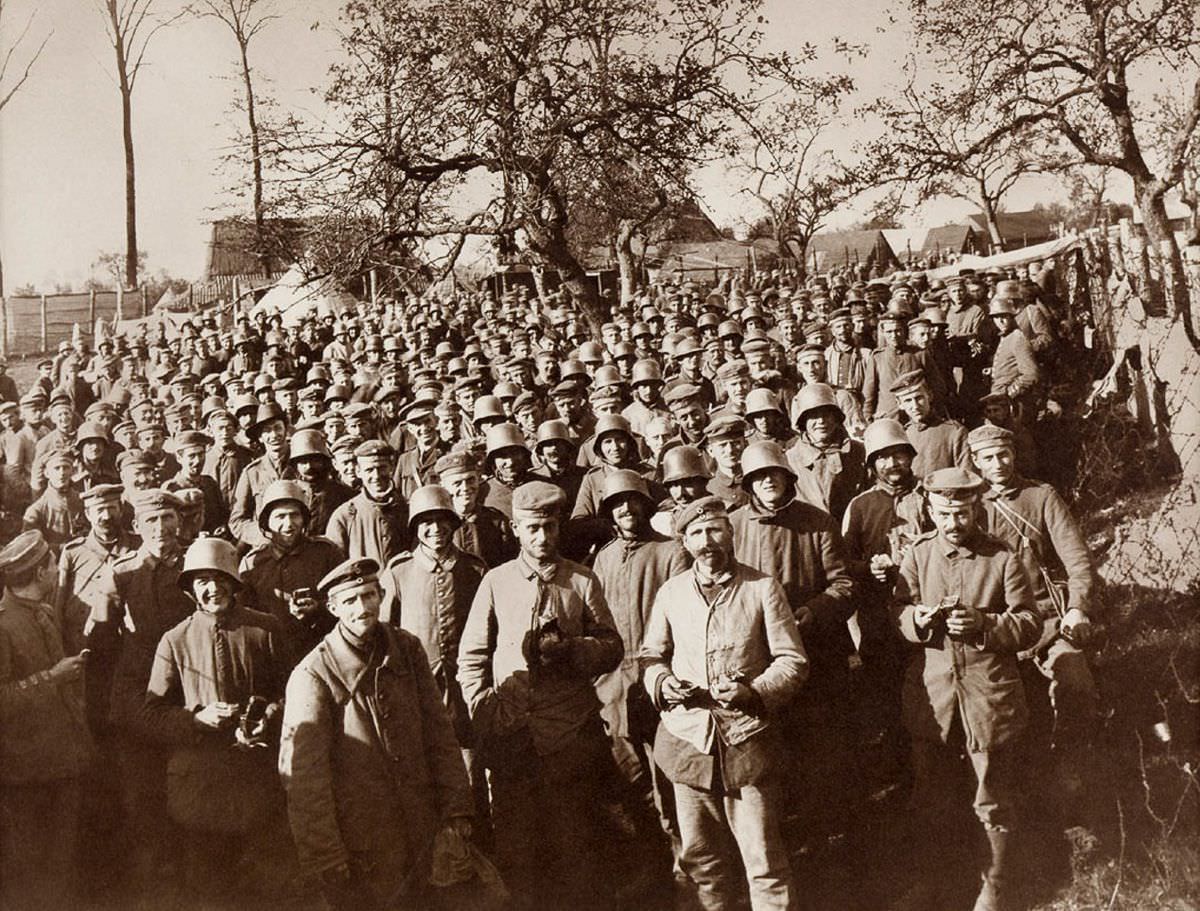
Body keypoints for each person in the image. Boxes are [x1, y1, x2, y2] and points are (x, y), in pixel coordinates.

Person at [458, 479, 624, 910]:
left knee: (575, 844)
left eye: (549, 527)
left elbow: (612, 646)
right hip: (511, 735)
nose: (541, 537)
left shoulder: (582, 581)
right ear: (515, 528)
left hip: (569, 734)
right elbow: (472, 656)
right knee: (517, 847)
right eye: (532, 528)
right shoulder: (496, 582)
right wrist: (483, 708)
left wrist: (574, 651)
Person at [279, 556, 474, 911]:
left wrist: (456, 808)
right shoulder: (314, 673)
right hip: (362, 841)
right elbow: (305, 777)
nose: (362, 607)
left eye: (369, 596)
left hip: (421, 825)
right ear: (333, 607)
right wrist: (326, 855)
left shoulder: (407, 649)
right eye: (350, 600)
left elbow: (439, 732)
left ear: (382, 596)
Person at [641, 496, 808, 911]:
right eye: (696, 533)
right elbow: (650, 654)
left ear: (731, 534)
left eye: (716, 529)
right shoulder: (672, 592)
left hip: (748, 740)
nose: (707, 540)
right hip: (688, 741)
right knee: (701, 859)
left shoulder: (761, 587)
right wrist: (663, 683)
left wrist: (755, 691)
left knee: (764, 860)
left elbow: (793, 660)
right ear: (684, 541)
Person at [890, 467, 1042, 911]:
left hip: (987, 694)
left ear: (975, 509)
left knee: (991, 797)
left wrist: (985, 625)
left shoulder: (1002, 557)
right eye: (943, 514)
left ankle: (994, 890)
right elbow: (896, 610)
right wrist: (915, 621)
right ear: (931, 511)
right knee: (931, 797)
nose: (953, 523)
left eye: (961, 513)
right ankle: (936, 884)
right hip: (934, 697)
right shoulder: (917, 555)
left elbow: (1030, 623)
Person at [143, 536, 290, 900]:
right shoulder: (174, 641)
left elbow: (295, 692)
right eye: (202, 582)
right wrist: (196, 719)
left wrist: (268, 715)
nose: (212, 589)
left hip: (258, 783)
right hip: (200, 792)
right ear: (191, 590)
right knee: (210, 890)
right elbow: (151, 713)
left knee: (266, 885)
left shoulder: (266, 629)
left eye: (220, 578)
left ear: (235, 582)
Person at [969, 424, 1100, 814]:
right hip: (1000, 625)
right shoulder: (970, 506)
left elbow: (1078, 560)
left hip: (1047, 619)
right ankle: (1016, 797)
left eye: (1004, 454)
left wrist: (1077, 606)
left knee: (1076, 682)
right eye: (988, 457)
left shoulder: (1041, 496)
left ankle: (1074, 767)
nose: (998, 463)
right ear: (975, 462)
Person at [591, 470, 688, 889]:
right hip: (613, 685)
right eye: (617, 504)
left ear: (647, 506)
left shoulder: (671, 553)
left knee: (670, 776)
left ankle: (686, 866)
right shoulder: (604, 557)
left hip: (658, 679)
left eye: (633, 501)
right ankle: (650, 865)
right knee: (629, 779)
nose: (626, 509)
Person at [378, 484, 490, 831]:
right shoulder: (399, 572)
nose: (435, 529)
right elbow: (384, 631)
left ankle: (475, 832)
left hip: (467, 683)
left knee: (470, 759)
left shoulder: (474, 570)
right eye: (426, 523)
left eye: (443, 521)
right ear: (415, 529)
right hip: (417, 683)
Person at [0, 530, 93, 911]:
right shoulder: (3, 626)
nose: (57, 569)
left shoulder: (45, 611)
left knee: (59, 867)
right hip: (25, 774)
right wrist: (54, 677)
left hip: (61, 762)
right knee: (28, 870)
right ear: (40, 573)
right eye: (52, 565)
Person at [241, 479, 344, 664]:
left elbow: (345, 599)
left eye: (294, 515)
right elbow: (243, 615)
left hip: (320, 651)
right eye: (280, 517)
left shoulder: (326, 553)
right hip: (271, 658)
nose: (288, 524)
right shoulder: (252, 564)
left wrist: (318, 609)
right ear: (266, 523)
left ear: (304, 519)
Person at [325, 440, 408, 566]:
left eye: (382, 468)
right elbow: (335, 564)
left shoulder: (407, 509)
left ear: (391, 467)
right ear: (358, 471)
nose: (376, 476)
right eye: (369, 470)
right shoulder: (344, 516)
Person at [890, 369, 970, 476]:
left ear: (929, 396)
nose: (915, 406)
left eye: (919, 398)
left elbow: (967, 475)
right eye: (908, 401)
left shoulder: (954, 432)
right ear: (900, 404)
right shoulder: (902, 435)